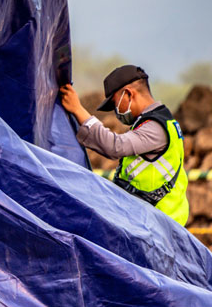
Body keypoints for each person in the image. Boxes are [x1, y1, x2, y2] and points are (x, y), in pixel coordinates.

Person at [60, 65, 188, 225]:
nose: (115, 111)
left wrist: (78, 110)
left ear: (128, 94)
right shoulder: (160, 121)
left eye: (115, 104)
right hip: (154, 220)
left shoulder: (155, 127)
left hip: (158, 225)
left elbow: (115, 146)